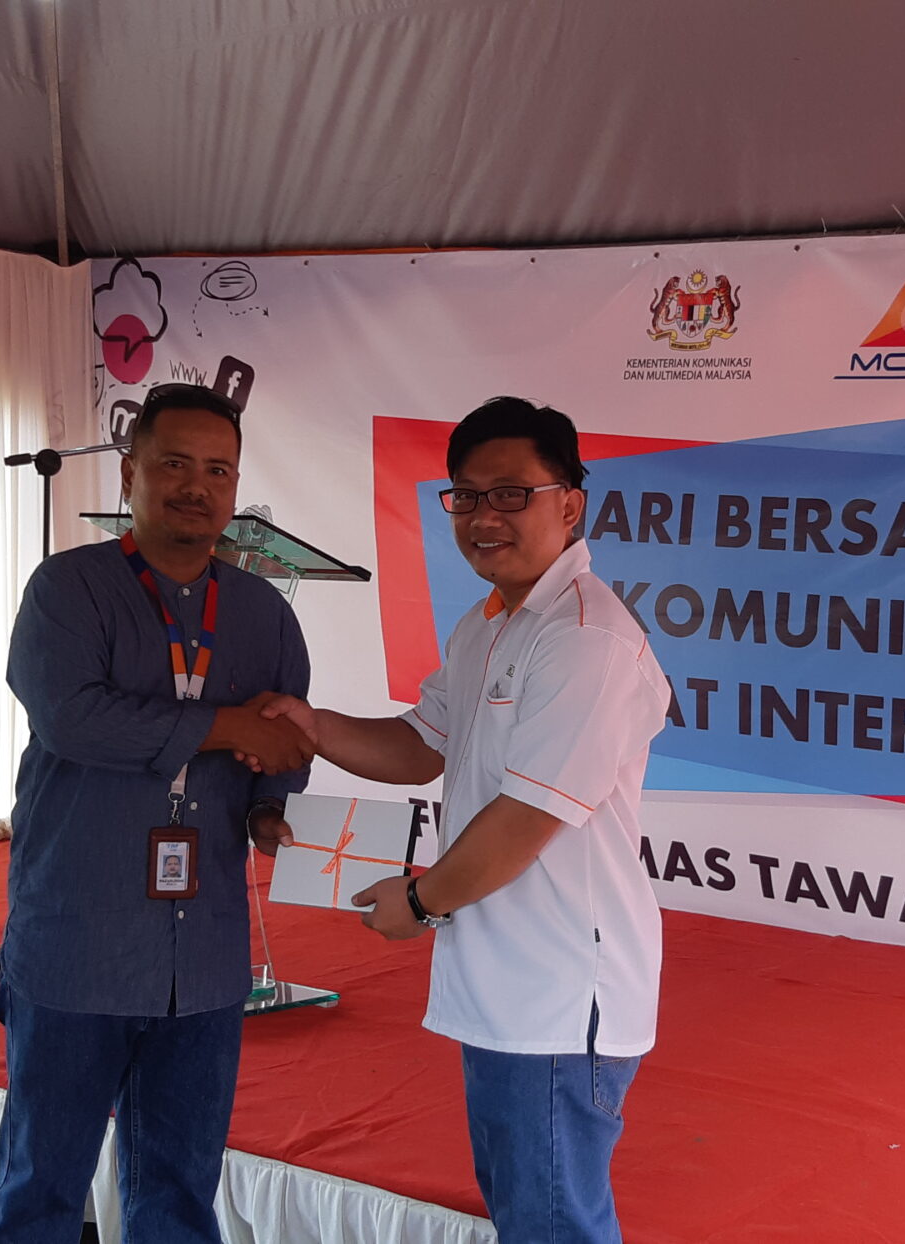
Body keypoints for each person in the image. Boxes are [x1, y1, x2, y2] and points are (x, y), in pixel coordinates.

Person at [260, 397, 669, 1244]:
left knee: (552, 1223)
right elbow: (422, 745)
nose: (485, 516)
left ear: (570, 503)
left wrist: (420, 902)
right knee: (527, 1213)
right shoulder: (489, 625)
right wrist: (313, 726)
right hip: (506, 982)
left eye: (512, 493)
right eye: (467, 496)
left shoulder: (583, 639)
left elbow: (528, 817)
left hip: (560, 991)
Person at [0, 382, 317, 1243]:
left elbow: (285, 734)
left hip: (203, 955)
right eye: (174, 464)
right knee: (40, 1185)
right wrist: (224, 727)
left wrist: (270, 810)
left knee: (178, 1191)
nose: (196, 486)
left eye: (218, 470)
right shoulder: (68, 589)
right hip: (78, 940)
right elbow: (72, 719)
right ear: (130, 473)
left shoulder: (262, 612)